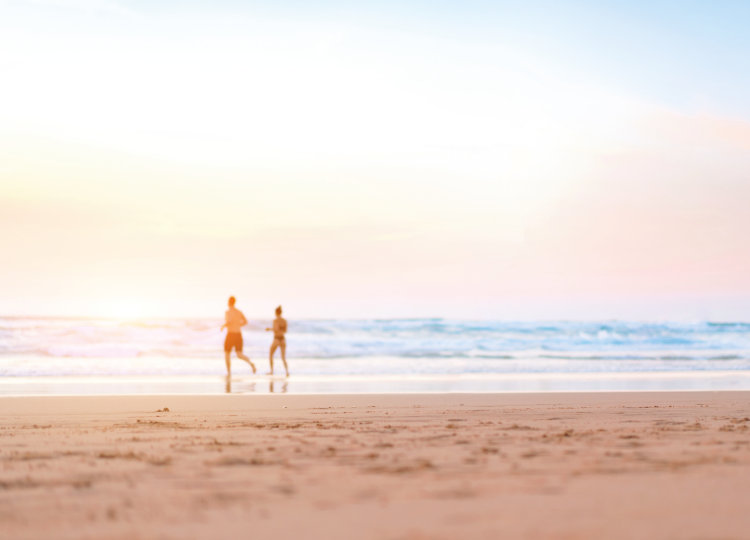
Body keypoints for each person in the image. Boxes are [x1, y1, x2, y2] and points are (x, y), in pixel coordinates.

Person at [221, 296, 256, 376]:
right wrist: (238, 325)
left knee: (227, 353)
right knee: (239, 354)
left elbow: (229, 322)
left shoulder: (228, 312)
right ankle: (251, 363)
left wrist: (223, 326)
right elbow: (245, 322)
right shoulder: (239, 312)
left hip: (230, 334)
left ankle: (229, 372)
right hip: (238, 334)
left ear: (229, 302)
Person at [265, 305, 289, 377]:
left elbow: (276, 329)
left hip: (276, 339)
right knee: (283, 357)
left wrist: (269, 329)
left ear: (276, 313)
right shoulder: (284, 321)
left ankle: (272, 371)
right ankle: (287, 371)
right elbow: (285, 331)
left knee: (271, 354)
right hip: (282, 339)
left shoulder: (275, 320)